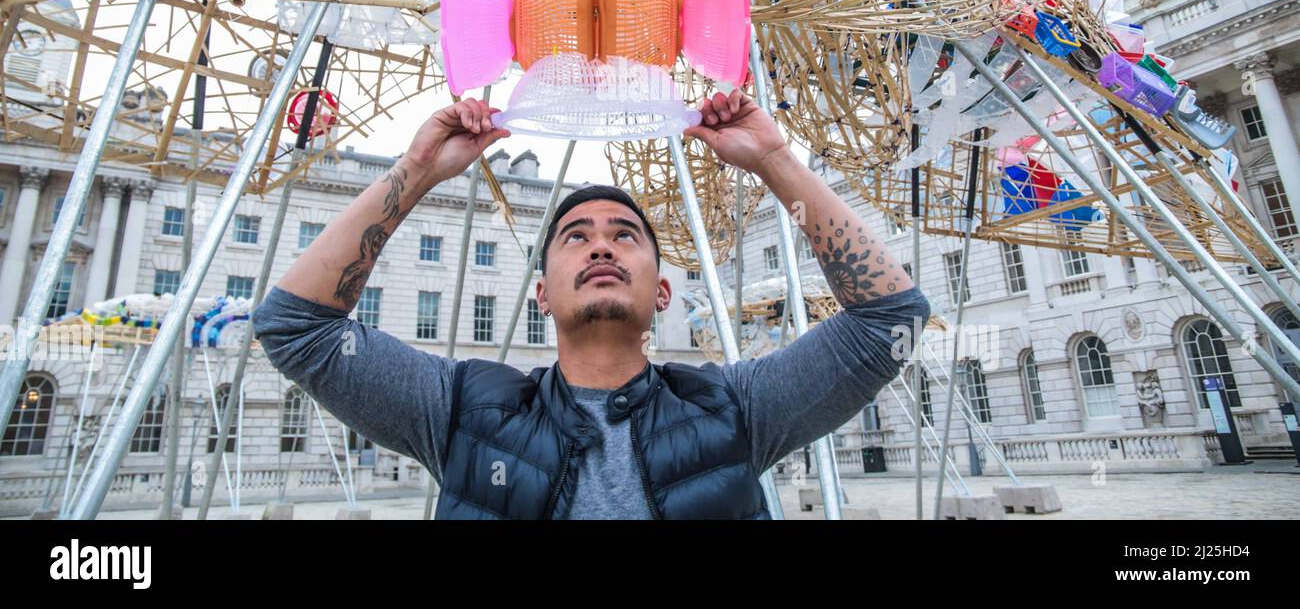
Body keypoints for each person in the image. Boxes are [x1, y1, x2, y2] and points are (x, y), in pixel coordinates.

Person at [252, 89, 930, 518]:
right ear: (540, 293)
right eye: (576, 237)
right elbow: (295, 327)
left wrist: (775, 161)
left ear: (662, 292)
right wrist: (419, 170)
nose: (601, 247)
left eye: (625, 236)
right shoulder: (460, 410)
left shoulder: (737, 407)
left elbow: (888, 321)